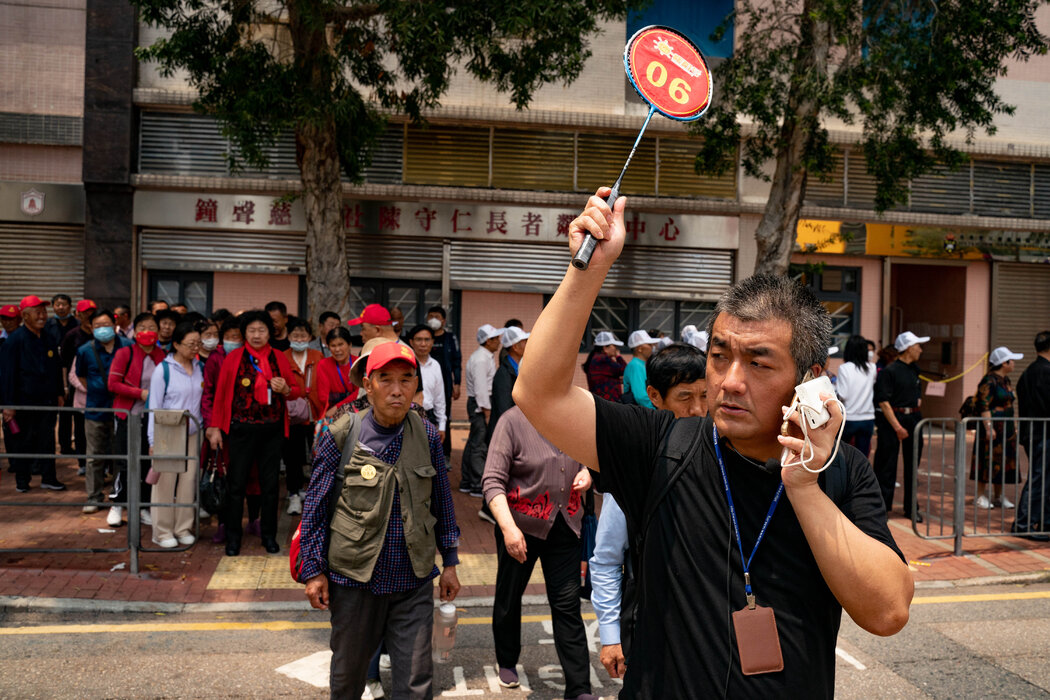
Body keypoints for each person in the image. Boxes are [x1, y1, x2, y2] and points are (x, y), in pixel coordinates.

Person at [512, 189, 912, 697]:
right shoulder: (663, 444)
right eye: (719, 356)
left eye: (759, 363)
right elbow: (538, 393)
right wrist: (589, 268)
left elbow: (888, 612)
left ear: (809, 378)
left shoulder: (841, 471)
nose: (730, 382)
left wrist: (805, 488)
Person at [299, 342, 461, 699]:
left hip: (412, 578)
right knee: (348, 677)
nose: (397, 389)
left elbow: (442, 502)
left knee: (417, 683)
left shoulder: (429, 436)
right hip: (354, 579)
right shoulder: (340, 435)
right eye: (385, 379)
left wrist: (449, 562)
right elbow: (314, 507)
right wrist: (312, 570)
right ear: (368, 385)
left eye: (406, 380)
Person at [590, 343, 708, 680]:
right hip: (651, 627)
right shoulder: (639, 466)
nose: (699, 409)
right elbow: (607, 559)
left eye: (705, 395)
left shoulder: (720, 451)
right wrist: (611, 636)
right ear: (654, 396)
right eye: (685, 397)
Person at [483, 405, 595, 697]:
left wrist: (585, 471)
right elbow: (492, 482)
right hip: (520, 528)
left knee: (567, 605)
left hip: (566, 525)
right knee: (509, 596)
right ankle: (507, 660)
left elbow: (588, 458)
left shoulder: (574, 415)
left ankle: (579, 688)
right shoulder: (511, 422)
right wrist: (508, 529)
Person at [207, 310, 301, 556]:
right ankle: (233, 538)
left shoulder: (279, 358)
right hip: (240, 430)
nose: (257, 335)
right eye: (252, 330)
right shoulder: (234, 358)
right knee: (236, 485)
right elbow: (220, 396)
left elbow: (295, 391)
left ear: (270, 332)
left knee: (270, 485)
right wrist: (215, 427)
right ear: (244, 333)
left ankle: (269, 536)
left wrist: (286, 388)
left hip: (272, 431)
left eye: (262, 330)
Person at [0, 295, 66, 493]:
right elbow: (7, 376)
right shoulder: (15, 341)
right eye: (37, 312)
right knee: (24, 442)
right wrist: (8, 405)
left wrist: (59, 393)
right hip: (23, 402)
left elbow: (55, 368)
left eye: (44, 312)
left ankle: (49, 477)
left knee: (47, 440)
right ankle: (23, 479)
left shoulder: (48, 337)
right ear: (25, 316)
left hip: (46, 400)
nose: (42, 316)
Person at [147, 321, 204, 548]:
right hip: (168, 432)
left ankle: (183, 527)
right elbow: (153, 406)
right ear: (177, 344)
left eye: (198, 343)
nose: (195, 348)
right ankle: (162, 532)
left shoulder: (200, 367)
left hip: (192, 432)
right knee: (165, 483)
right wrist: (153, 440)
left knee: (188, 481)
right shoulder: (164, 370)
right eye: (191, 344)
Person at [108, 312, 166, 527]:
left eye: (151, 327)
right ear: (135, 331)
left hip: (153, 419)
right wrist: (140, 393)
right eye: (142, 327)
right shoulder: (125, 353)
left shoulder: (164, 355)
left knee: (147, 463)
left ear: (158, 332)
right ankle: (118, 504)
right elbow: (113, 384)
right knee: (125, 461)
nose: (146, 332)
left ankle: (143, 507)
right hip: (128, 415)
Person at [76, 309, 131, 513]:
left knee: (121, 455)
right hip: (96, 409)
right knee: (94, 456)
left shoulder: (128, 346)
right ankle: (94, 497)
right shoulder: (84, 350)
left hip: (122, 410)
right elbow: (81, 377)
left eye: (106, 325)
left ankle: (119, 495)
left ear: (115, 325)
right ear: (90, 327)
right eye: (98, 326)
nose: (103, 329)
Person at [873, 330, 929, 521]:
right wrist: (897, 426)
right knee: (886, 465)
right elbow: (883, 401)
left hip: (913, 418)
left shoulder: (915, 369)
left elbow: (917, 390)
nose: (920, 350)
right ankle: (882, 508)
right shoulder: (889, 371)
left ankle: (911, 507)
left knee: (913, 465)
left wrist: (917, 400)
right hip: (892, 421)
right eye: (918, 346)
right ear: (908, 348)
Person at [971, 346, 1024, 510]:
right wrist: (988, 427)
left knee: (1004, 460)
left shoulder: (1005, 381)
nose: (1014, 363)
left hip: (1006, 429)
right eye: (1011, 360)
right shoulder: (989, 381)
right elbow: (983, 405)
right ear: (1004, 363)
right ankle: (980, 495)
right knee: (987, 459)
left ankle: (998, 496)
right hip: (993, 428)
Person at [283, 317, 323, 515]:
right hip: (293, 416)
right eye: (295, 335)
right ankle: (294, 494)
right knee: (293, 457)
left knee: (317, 455)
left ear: (310, 336)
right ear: (288, 336)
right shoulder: (282, 357)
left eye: (303, 335)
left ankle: (314, 493)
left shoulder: (317, 356)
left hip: (316, 413)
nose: (299, 339)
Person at [1014, 331, 1050, 540]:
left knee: (1042, 477)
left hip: (1033, 433)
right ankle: (1024, 523)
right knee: (1039, 478)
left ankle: (1042, 521)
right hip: (1042, 433)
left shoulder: (1029, 371)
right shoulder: (1044, 371)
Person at [461, 324, 504, 496]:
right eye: (495, 339)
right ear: (487, 341)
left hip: (481, 403)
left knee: (474, 443)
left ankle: (466, 481)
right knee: (479, 446)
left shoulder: (485, 356)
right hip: (481, 404)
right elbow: (480, 388)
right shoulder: (481, 359)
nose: (498, 342)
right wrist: (487, 411)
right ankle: (476, 483)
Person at [61, 299, 97, 474]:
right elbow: (65, 365)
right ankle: (82, 462)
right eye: (86, 312)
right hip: (79, 389)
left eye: (92, 312)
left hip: (101, 393)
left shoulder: (102, 336)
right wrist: (67, 386)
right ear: (78, 314)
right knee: (81, 428)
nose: (89, 315)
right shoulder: (72, 335)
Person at [425, 306, 461, 458]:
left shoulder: (450, 338)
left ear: (444, 320)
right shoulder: (423, 337)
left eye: (437, 316)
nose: (433, 319)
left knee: (444, 417)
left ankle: (444, 454)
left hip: (445, 385)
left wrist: (457, 382)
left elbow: (456, 360)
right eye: (430, 315)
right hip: (426, 384)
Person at [836, 335, 878, 458]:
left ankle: (844, 477)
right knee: (862, 455)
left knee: (840, 453)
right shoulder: (872, 368)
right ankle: (860, 477)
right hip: (868, 418)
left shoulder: (844, 368)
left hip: (849, 418)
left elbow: (843, 394)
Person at [407, 324, 447, 439]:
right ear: (411, 342)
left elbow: (439, 398)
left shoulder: (435, 365)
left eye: (427, 340)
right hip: (407, 416)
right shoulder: (406, 364)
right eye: (419, 339)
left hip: (429, 416)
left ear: (432, 341)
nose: (423, 344)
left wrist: (442, 425)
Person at [490, 325, 529, 437]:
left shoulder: (518, 369)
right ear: (515, 347)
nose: (528, 345)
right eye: (524, 342)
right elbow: (505, 409)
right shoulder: (503, 374)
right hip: (506, 434)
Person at [316, 326, 359, 417]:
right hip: (331, 414)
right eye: (333, 346)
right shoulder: (323, 364)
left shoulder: (358, 363)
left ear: (349, 345)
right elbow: (323, 397)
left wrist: (338, 407)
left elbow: (360, 392)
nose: (337, 350)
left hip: (356, 413)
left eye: (340, 344)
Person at [582, 331, 626, 402]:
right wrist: (618, 356)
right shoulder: (603, 359)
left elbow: (606, 378)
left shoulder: (596, 357)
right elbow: (624, 370)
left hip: (601, 402)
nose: (616, 349)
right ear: (605, 348)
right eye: (614, 346)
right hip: (607, 402)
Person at [622, 330, 658, 408]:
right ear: (640, 349)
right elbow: (640, 396)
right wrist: (655, 411)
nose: (652, 347)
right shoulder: (635, 365)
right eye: (649, 345)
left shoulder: (640, 364)